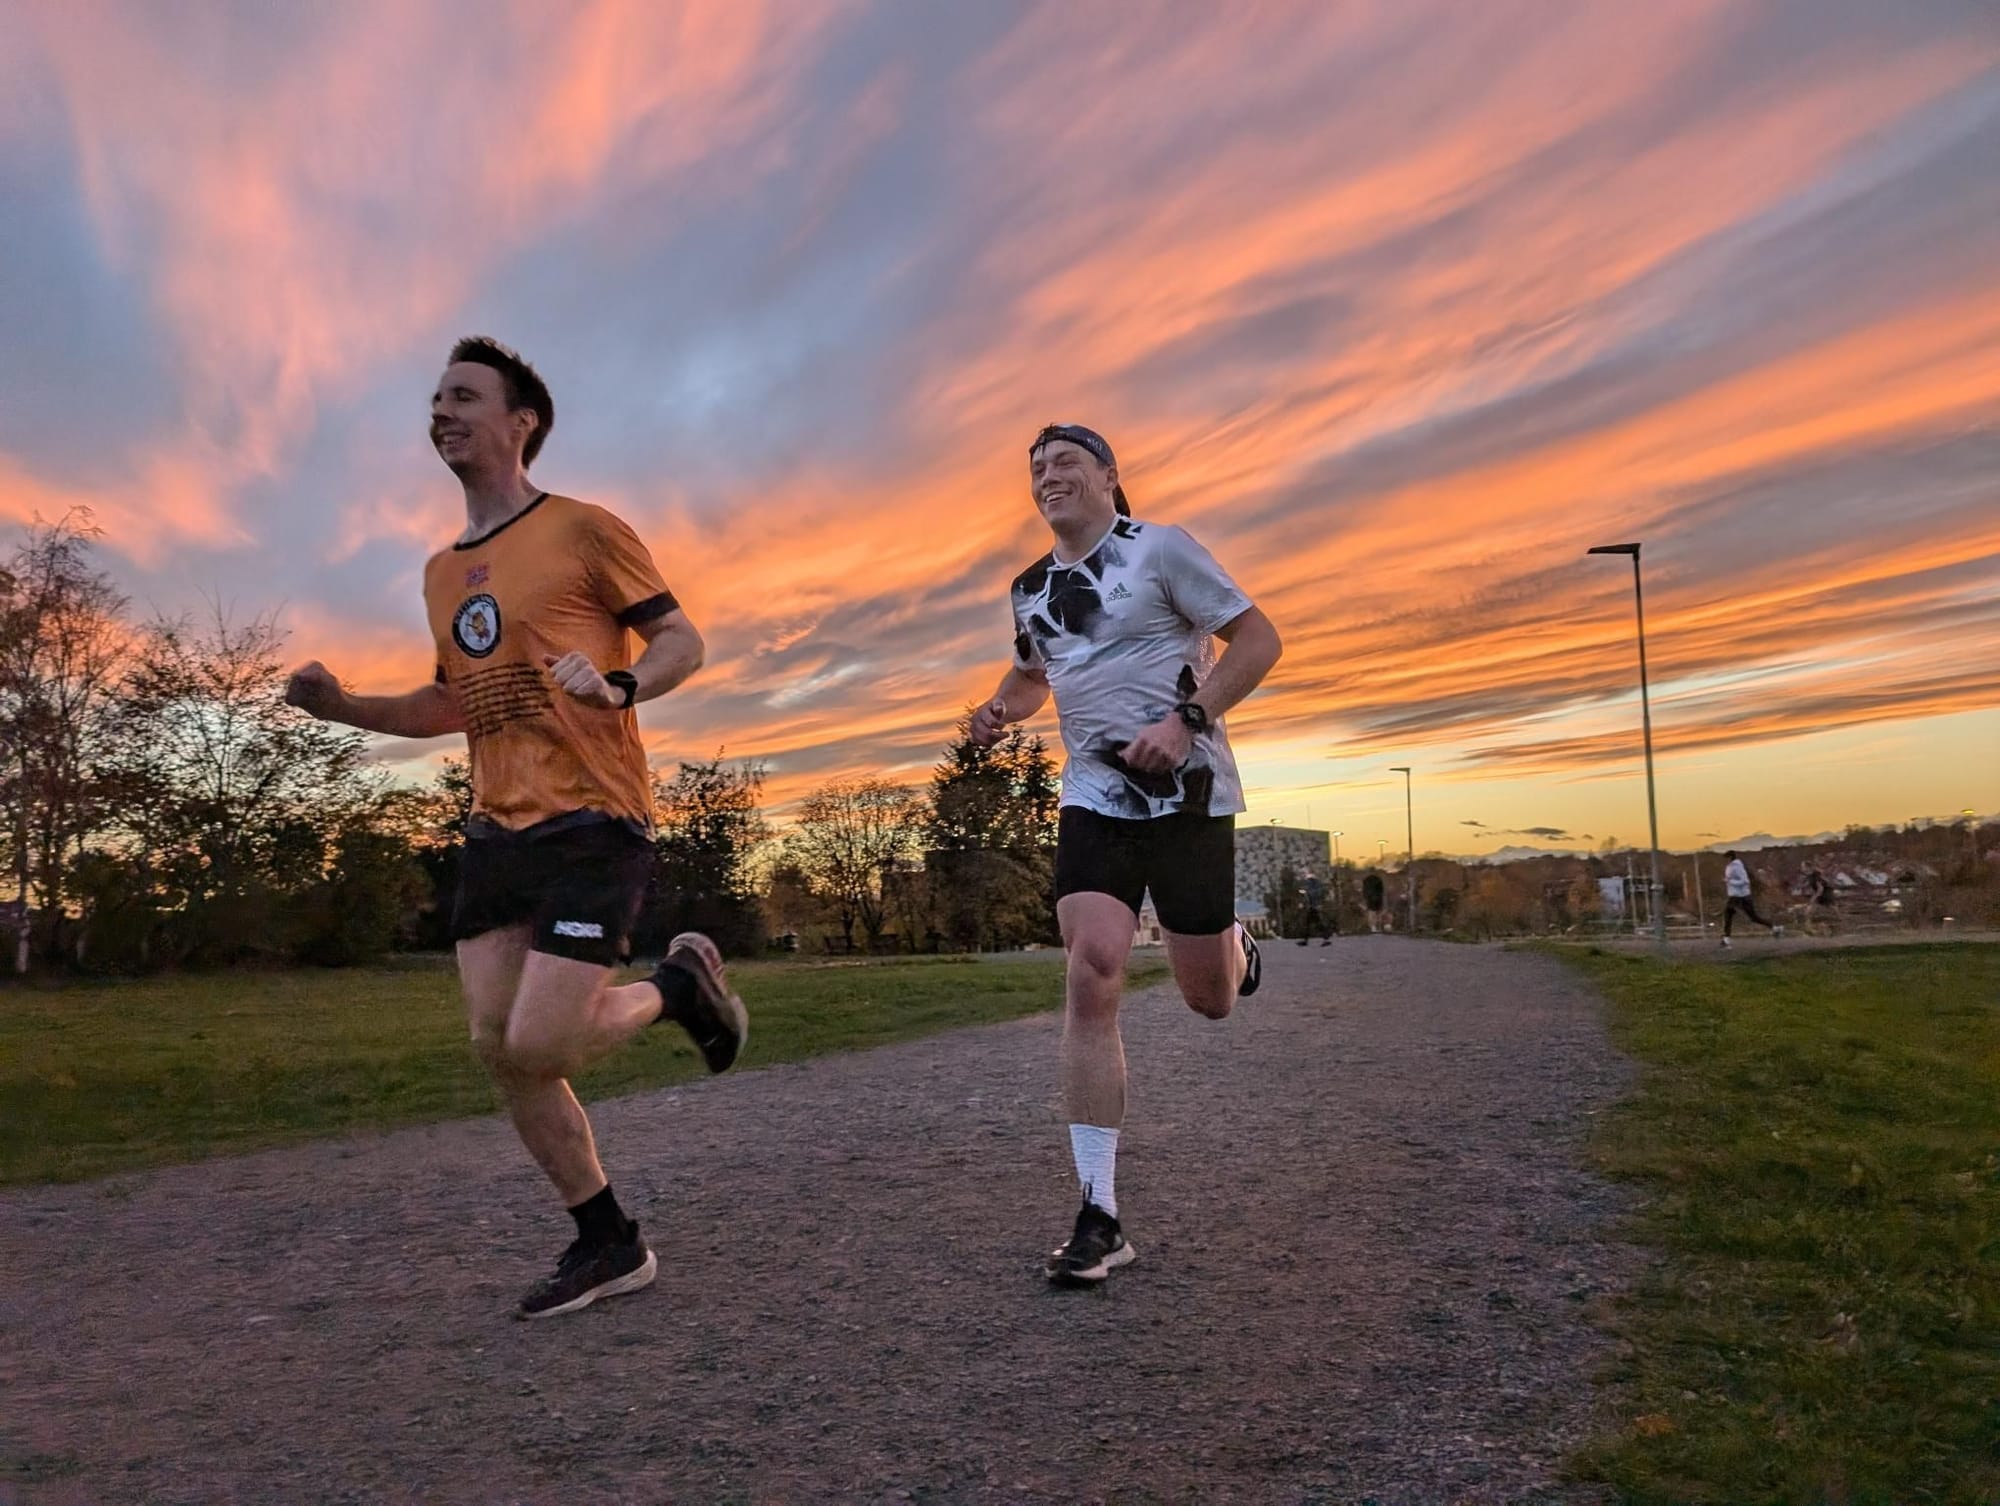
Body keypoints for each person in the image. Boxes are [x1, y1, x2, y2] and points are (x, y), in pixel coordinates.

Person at [285, 337, 749, 1320]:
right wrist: (342, 708)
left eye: (463, 397)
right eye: (435, 399)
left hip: (593, 817)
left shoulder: (584, 530)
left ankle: (676, 988)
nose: (440, 412)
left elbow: (682, 639)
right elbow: (452, 704)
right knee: (499, 1045)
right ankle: (606, 1240)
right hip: (497, 829)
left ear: (520, 421)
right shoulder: (440, 574)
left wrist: (619, 681)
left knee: (543, 1040)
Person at [970, 423, 1283, 1287]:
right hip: (1094, 797)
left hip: (1187, 796)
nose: (1047, 476)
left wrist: (1187, 721)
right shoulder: (1031, 588)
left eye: (1065, 461)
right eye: (1034, 467)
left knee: (1210, 1001)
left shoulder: (1161, 551)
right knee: (1092, 967)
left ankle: (1231, 948)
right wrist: (1003, 709)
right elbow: (1034, 673)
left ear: (1110, 474)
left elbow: (1259, 641)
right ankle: (1099, 1213)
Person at [1720, 850, 1781, 947]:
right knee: (1752, 917)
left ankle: (1726, 939)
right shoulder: (1733, 867)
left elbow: (1744, 881)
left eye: (1726, 858)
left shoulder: (1736, 867)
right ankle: (1774, 928)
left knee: (1728, 915)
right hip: (1740, 895)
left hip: (1738, 896)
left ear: (1730, 858)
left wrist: (1729, 881)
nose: (1724, 861)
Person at [1297, 870, 1333, 946]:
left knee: (1313, 923)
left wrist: (1302, 893)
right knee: (1312, 923)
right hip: (1315, 906)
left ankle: (1324, 939)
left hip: (1313, 907)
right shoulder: (1317, 884)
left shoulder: (1310, 884)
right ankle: (1323, 939)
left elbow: (1306, 893)